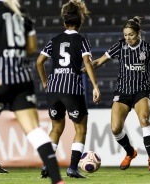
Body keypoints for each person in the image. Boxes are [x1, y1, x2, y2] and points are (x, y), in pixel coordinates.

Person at [90, 16, 150, 172]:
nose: (127, 38)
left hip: (141, 91)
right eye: (125, 35)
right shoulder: (119, 46)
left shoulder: (147, 48)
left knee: (144, 119)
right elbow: (98, 62)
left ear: (138, 33)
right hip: (122, 92)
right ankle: (130, 152)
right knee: (115, 128)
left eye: (131, 34)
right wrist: (83, 70)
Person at [0, 0, 64, 183]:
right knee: (34, 131)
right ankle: (57, 180)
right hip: (23, 79)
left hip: (0, 78)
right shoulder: (22, 13)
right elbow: (32, 48)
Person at [36, 0, 101, 179]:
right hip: (71, 88)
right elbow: (87, 63)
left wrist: (44, 82)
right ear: (80, 23)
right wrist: (95, 86)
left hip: (53, 88)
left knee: (56, 128)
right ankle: (72, 167)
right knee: (80, 129)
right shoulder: (81, 40)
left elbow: (39, 62)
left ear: (64, 22)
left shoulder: (54, 40)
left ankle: (46, 165)